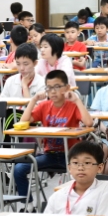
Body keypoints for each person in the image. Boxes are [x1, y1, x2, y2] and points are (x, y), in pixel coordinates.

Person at [14, 73, 93, 201]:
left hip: (71, 156)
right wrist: (33, 100)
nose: (53, 91)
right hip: (49, 155)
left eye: (57, 87)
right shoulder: (44, 106)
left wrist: (77, 100)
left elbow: (89, 122)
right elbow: (24, 121)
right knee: (19, 169)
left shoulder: (72, 106)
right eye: (49, 88)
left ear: (67, 88)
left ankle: (78, 204)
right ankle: (28, 206)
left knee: (81, 174)